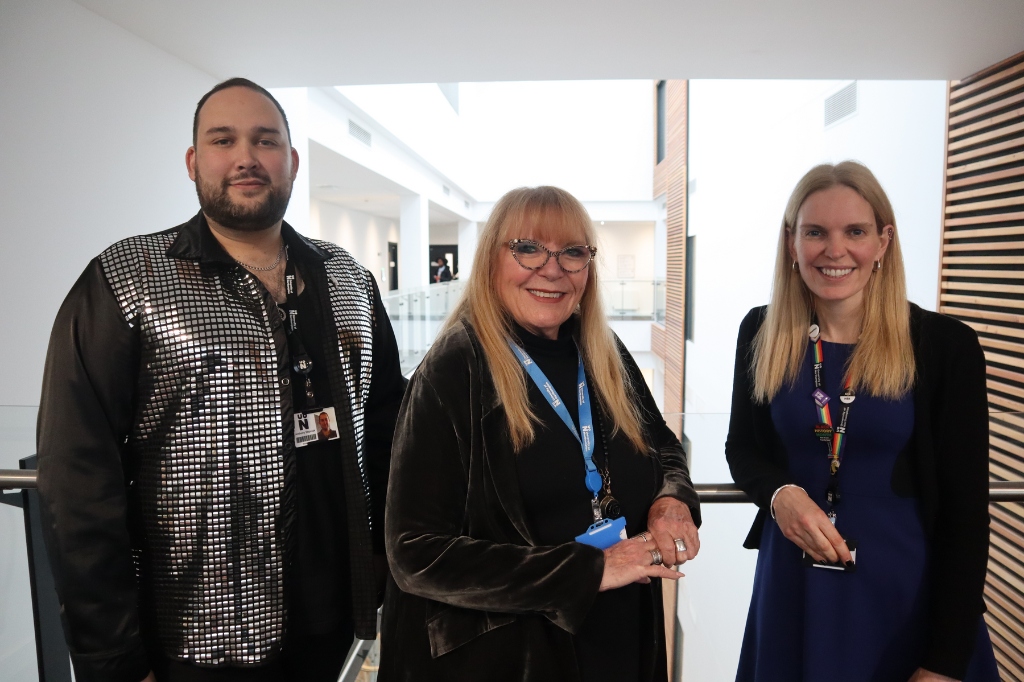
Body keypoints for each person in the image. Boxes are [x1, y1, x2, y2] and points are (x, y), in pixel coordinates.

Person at [35, 78, 406, 682]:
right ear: (193, 161)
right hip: (195, 638)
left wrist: (397, 571)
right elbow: (77, 484)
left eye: (265, 141)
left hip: (342, 620)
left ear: (291, 160)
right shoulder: (128, 281)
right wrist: (114, 660)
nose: (245, 158)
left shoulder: (348, 281)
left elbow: (390, 433)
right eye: (223, 139)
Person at [379, 186, 701, 681]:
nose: (552, 269)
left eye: (573, 252)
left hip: (616, 639)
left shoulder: (601, 349)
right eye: (527, 248)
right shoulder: (455, 367)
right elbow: (414, 553)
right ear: (492, 260)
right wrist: (589, 570)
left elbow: (662, 447)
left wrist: (671, 500)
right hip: (512, 657)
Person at [726, 161, 998, 682]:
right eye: (815, 232)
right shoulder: (760, 330)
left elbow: (967, 514)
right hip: (794, 586)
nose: (834, 250)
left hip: (905, 594)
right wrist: (780, 493)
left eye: (855, 232)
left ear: (883, 241)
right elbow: (743, 448)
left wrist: (942, 661)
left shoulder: (944, 345)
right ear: (791, 242)